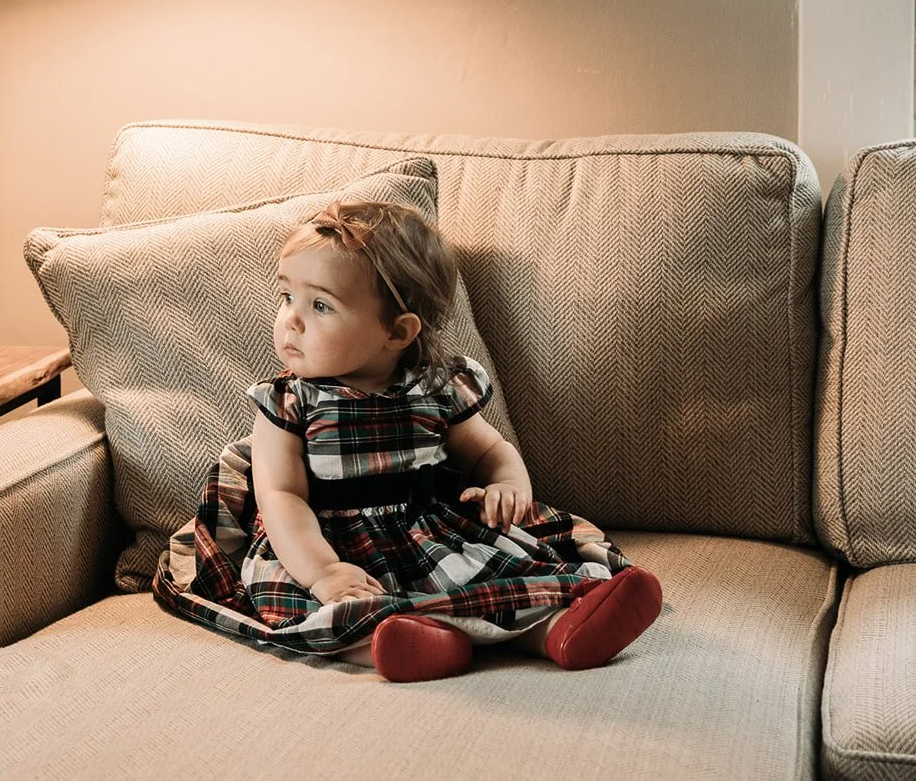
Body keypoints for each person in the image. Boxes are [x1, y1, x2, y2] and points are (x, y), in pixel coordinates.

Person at [152, 199, 663, 682]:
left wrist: (507, 485)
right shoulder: (287, 403)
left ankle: (555, 632)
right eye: (286, 296)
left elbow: (489, 450)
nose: (292, 319)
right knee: (327, 610)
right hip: (323, 545)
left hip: (428, 534)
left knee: (498, 583)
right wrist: (324, 572)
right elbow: (281, 498)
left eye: (321, 306)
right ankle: (396, 645)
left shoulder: (435, 387)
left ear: (397, 332)